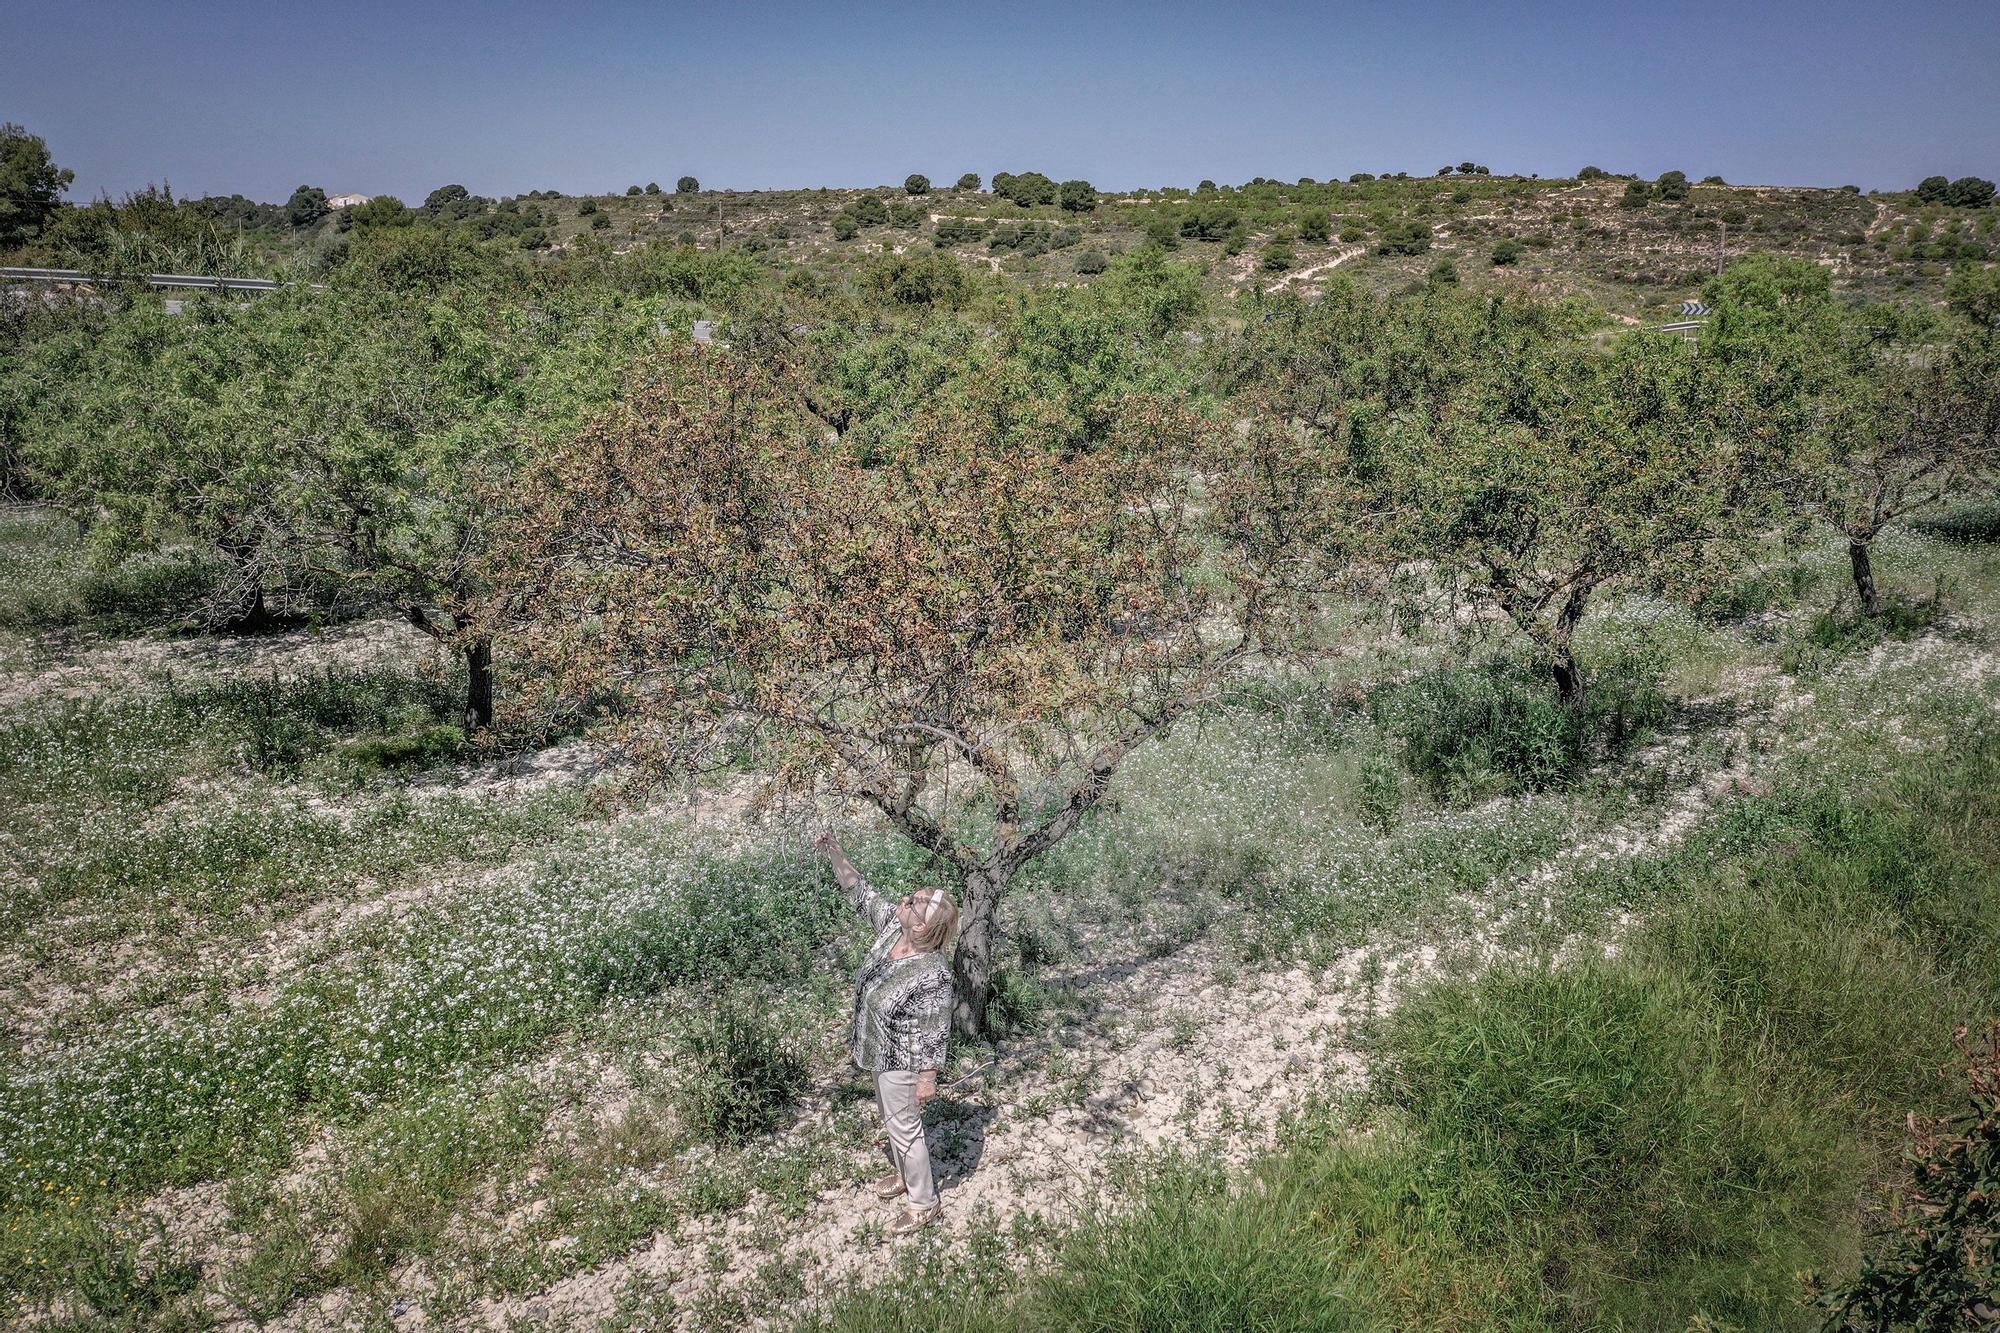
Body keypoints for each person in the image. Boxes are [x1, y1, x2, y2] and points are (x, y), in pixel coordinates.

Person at [813, 830, 958, 1237]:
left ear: (926, 927)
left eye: (916, 903)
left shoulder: (934, 972)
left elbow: (935, 1031)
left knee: (905, 1128)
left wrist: (927, 1079)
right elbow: (861, 892)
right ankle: (903, 1175)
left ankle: (923, 1202)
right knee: (891, 1120)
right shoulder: (894, 931)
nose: (908, 898)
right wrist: (835, 852)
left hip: (903, 1061)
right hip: (878, 1050)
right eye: (914, 894)